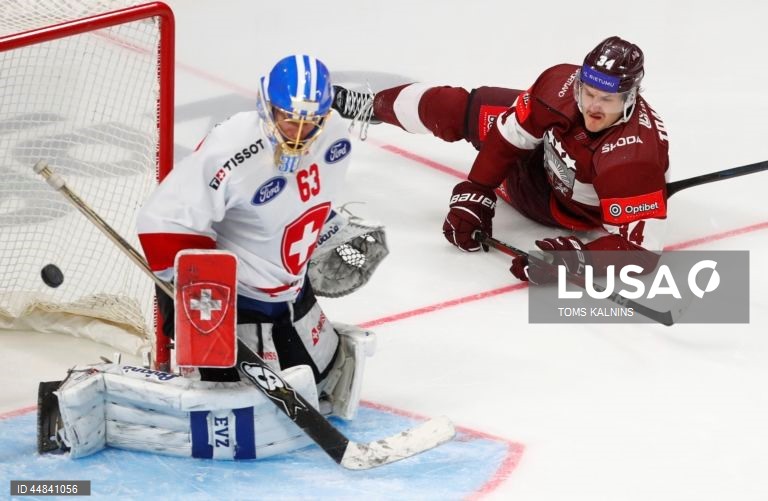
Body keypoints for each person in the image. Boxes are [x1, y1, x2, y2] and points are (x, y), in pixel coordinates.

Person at [136, 54, 373, 420]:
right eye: (289, 118)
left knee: (324, 380)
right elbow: (163, 222)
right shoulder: (232, 146)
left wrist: (327, 228)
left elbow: (294, 201)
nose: (298, 133)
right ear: (266, 106)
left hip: (291, 293)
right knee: (237, 408)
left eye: (311, 122)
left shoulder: (335, 135)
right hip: (235, 302)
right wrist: (203, 301)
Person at [332, 36, 669, 281]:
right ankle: (375, 105)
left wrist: (573, 260)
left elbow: (641, 252)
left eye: (607, 100)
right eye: (589, 93)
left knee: (492, 128)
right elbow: (508, 135)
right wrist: (476, 189)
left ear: (630, 98)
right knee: (457, 108)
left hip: (552, 204)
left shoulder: (633, 159)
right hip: (545, 155)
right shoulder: (559, 85)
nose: (592, 107)